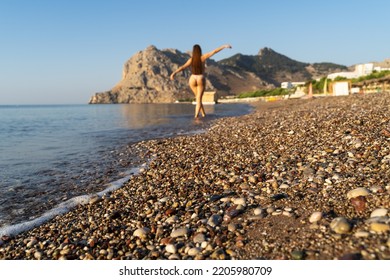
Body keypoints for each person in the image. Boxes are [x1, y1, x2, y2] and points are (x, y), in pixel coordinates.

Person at [170, 44, 232, 118]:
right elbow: (214, 51)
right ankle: (196, 116)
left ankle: (203, 114)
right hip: (200, 78)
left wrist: (174, 73)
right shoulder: (203, 58)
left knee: (198, 98)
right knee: (199, 98)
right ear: (200, 51)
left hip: (192, 78)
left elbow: (183, 67)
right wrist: (224, 46)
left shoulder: (191, 60)